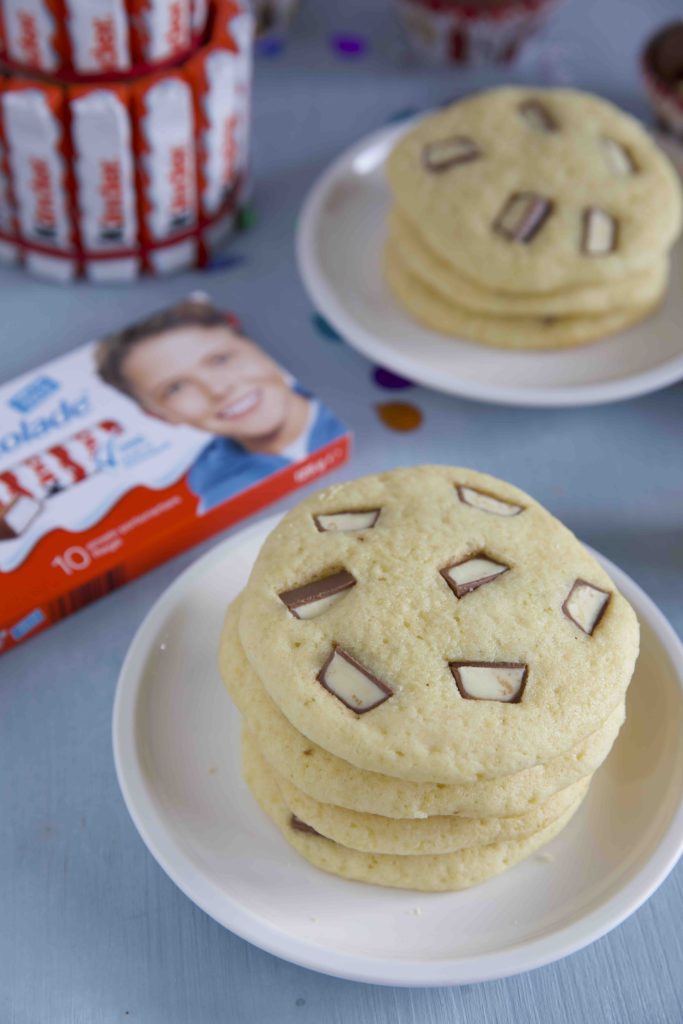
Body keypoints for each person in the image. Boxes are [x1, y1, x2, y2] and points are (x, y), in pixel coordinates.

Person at [95, 296, 346, 511]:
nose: (217, 389)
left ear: (253, 344)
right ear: (158, 416)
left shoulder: (339, 407)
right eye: (175, 388)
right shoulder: (212, 495)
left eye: (220, 359)